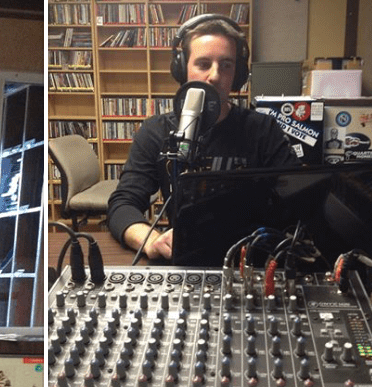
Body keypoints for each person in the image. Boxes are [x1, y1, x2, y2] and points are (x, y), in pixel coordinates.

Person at [107, 14, 299, 260]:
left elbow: (297, 198)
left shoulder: (263, 129)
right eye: (203, 64)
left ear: (237, 75)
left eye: (226, 65)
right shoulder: (155, 131)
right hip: (186, 257)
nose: (215, 76)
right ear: (182, 69)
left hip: (251, 258)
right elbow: (123, 204)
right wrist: (151, 240)